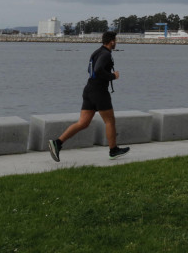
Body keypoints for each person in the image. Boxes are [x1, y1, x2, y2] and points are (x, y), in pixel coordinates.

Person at [48, 31, 130, 161]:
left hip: (89, 90)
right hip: (99, 92)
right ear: (112, 41)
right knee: (110, 121)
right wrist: (112, 76)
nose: (116, 43)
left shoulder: (96, 52)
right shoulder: (106, 54)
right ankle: (113, 150)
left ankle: (57, 143)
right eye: (116, 40)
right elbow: (98, 70)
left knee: (83, 123)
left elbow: (90, 70)